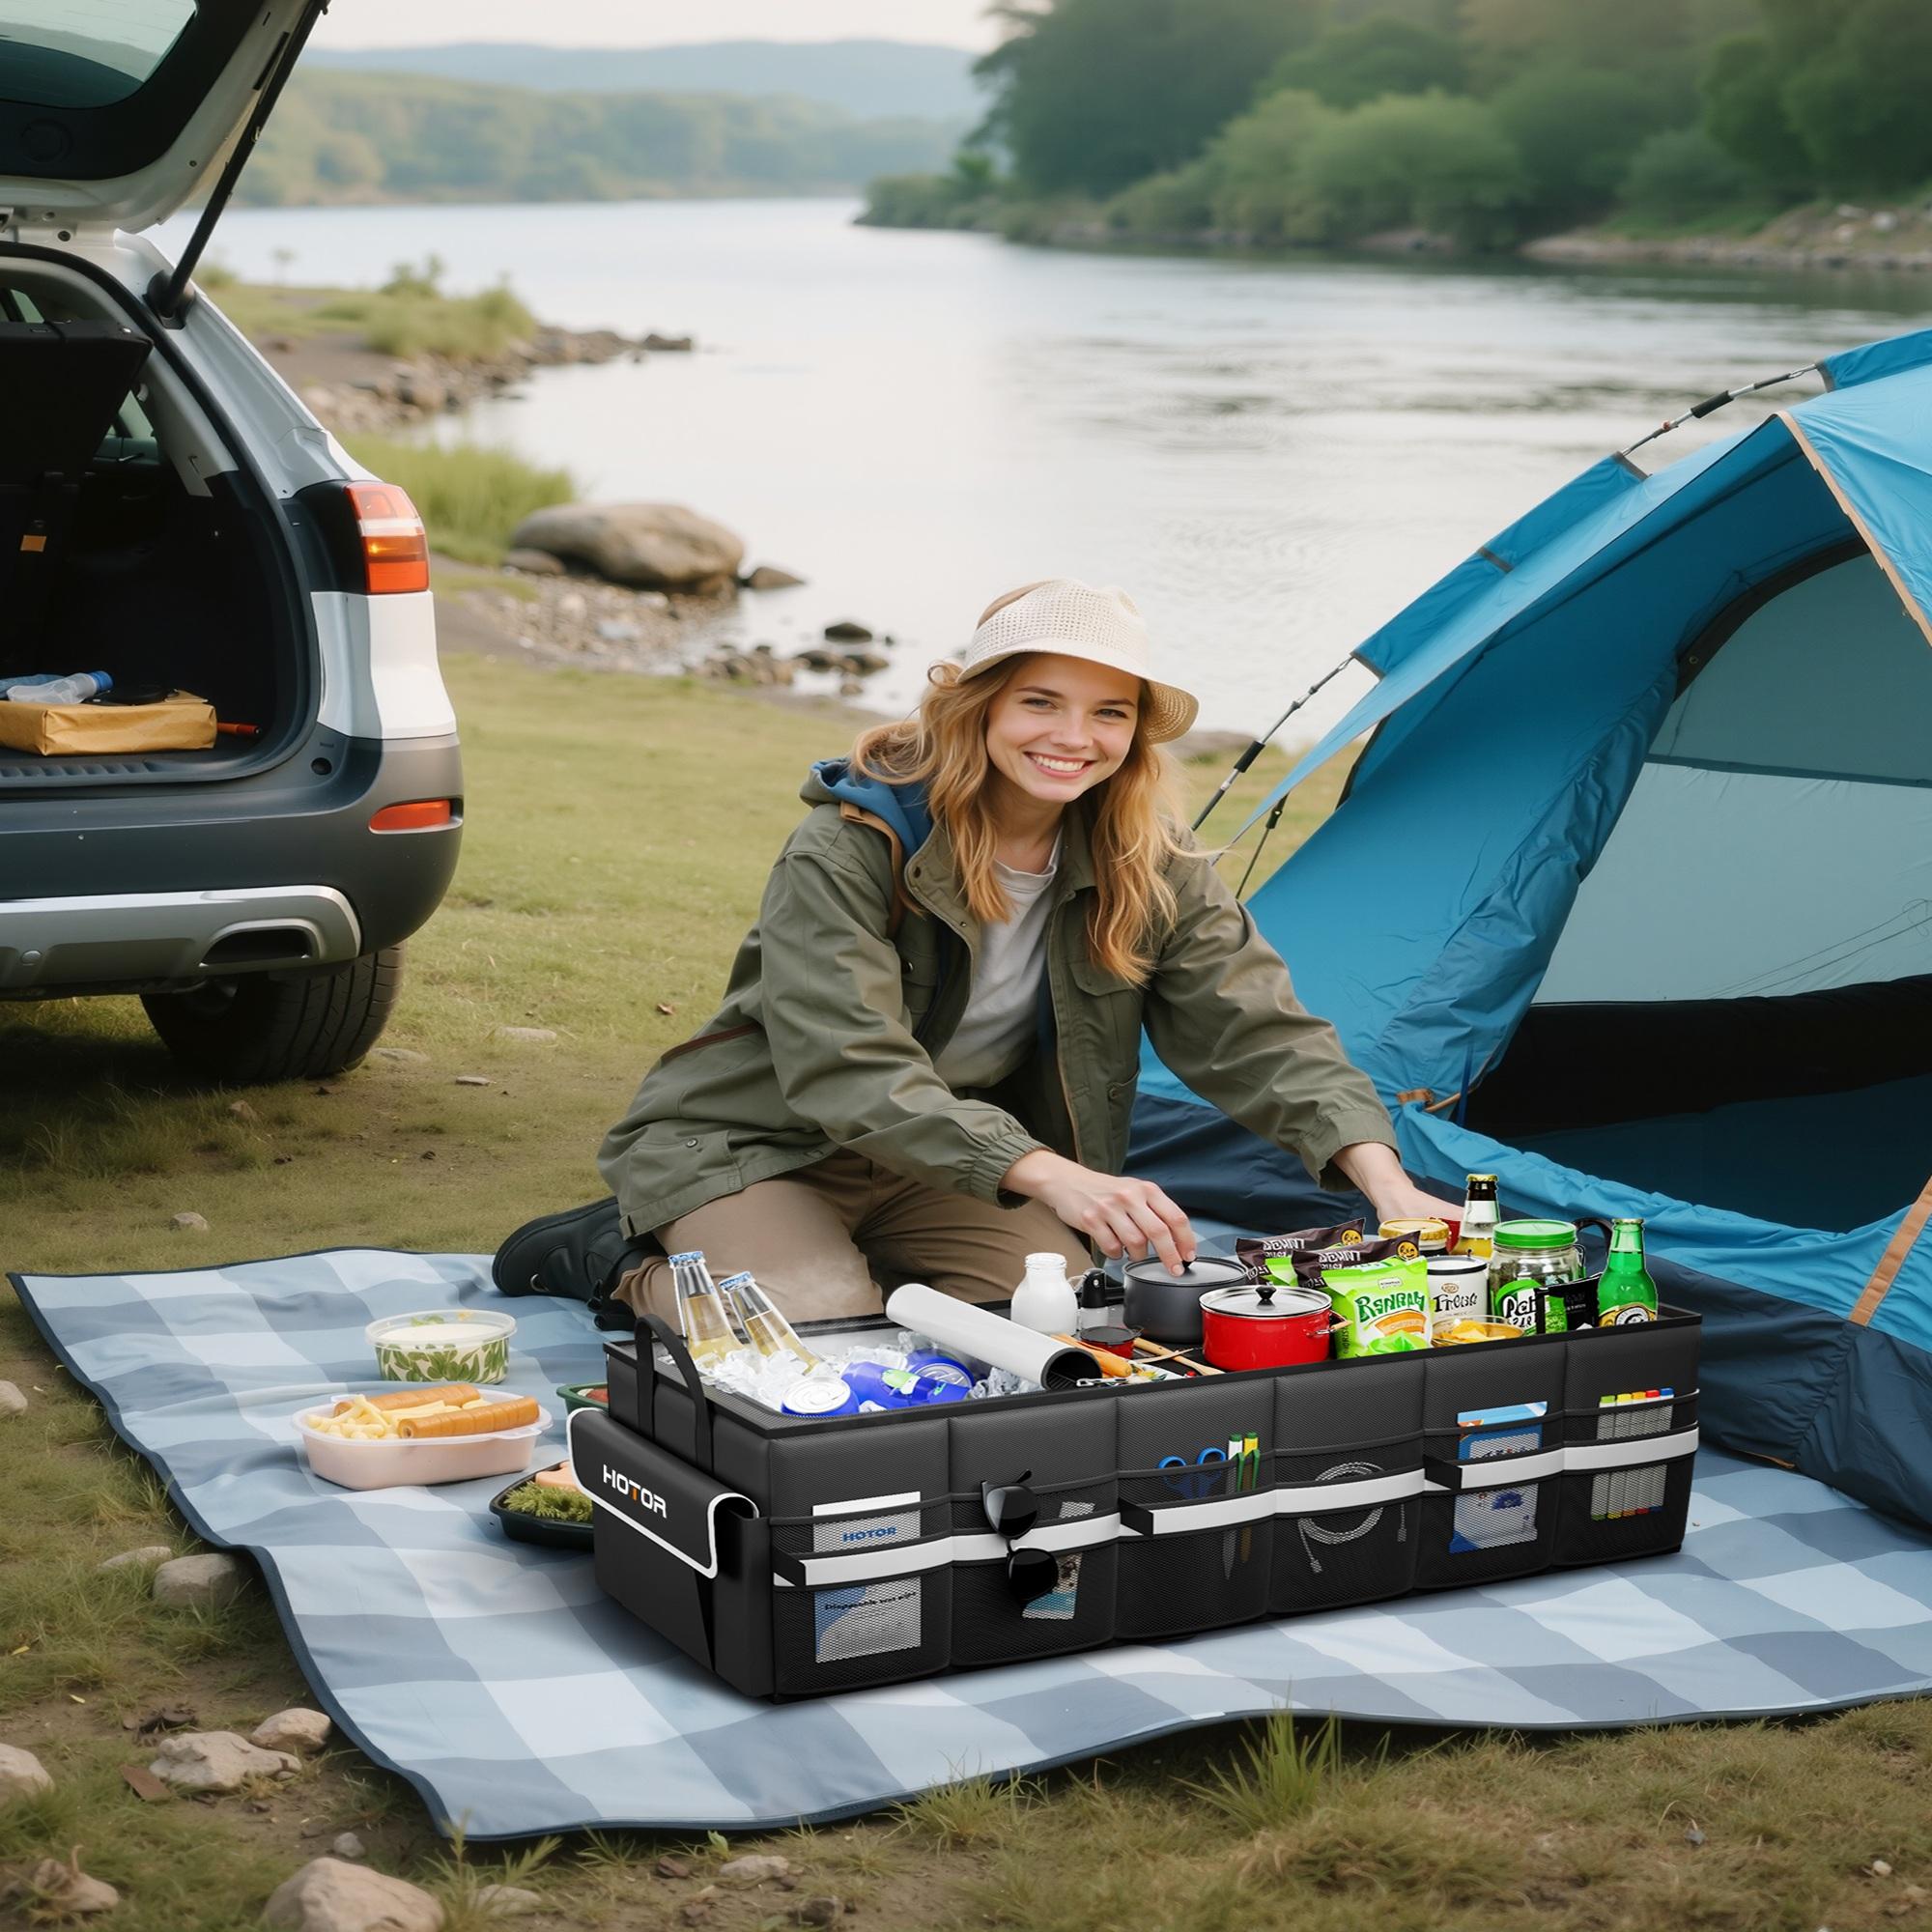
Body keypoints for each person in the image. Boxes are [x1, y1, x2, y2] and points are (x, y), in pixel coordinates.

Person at [600, 579, 1457, 1328]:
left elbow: (1259, 1030)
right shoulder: (851, 845)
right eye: (1041, 702)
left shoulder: (1147, 859)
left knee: (1058, 1319)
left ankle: (857, 1269)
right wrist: (1052, 1175)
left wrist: (1383, 1179)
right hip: (757, 1140)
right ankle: (625, 1264)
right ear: (980, 708)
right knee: (820, 1328)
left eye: (1109, 712)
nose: (1074, 736)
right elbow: (845, 1066)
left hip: (948, 1156)